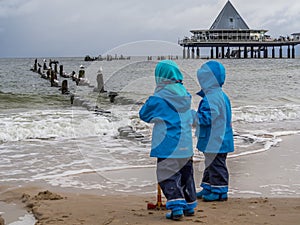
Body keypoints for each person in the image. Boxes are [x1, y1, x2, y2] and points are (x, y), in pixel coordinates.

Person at [139, 60, 197, 221]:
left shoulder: (159, 97)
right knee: (186, 176)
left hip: (167, 145)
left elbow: (144, 115)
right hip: (185, 144)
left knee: (167, 175)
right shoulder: (185, 94)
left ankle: (177, 207)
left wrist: (152, 99)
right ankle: (189, 205)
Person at [195, 61, 234, 202]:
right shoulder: (221, 95)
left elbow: (207, 118)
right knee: (210, 164)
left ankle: (220, 191)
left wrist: (193, 117)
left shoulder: (211, 98)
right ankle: (209, 186)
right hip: (220, 138)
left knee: (216, 165)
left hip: (216, 140)